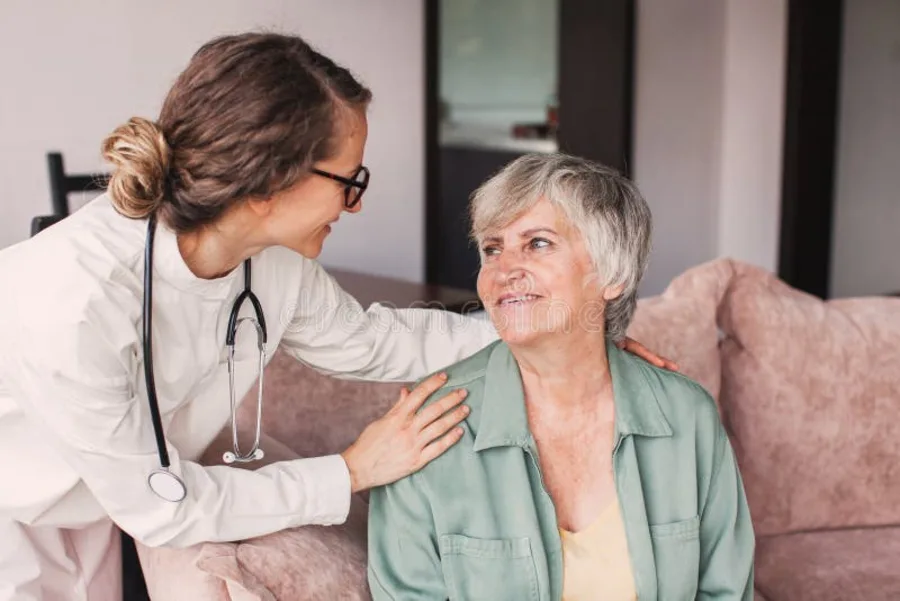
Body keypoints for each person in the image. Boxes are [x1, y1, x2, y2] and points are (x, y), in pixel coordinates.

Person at [0, 33, 674, 601]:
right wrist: (351, 470)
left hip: (89, 501)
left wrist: (554, 329)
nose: (354, 205)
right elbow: (163, 505)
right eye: (348, 180)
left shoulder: (269, 263)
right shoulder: (73, 301)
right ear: (269, 182)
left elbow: (373, 341)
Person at [367, 153, 755, 600]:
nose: (503, 271)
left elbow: (724, 590)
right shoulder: (428, 426)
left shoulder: (687, 418)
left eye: (538, 243)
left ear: (612, 273)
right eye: (492, 248)